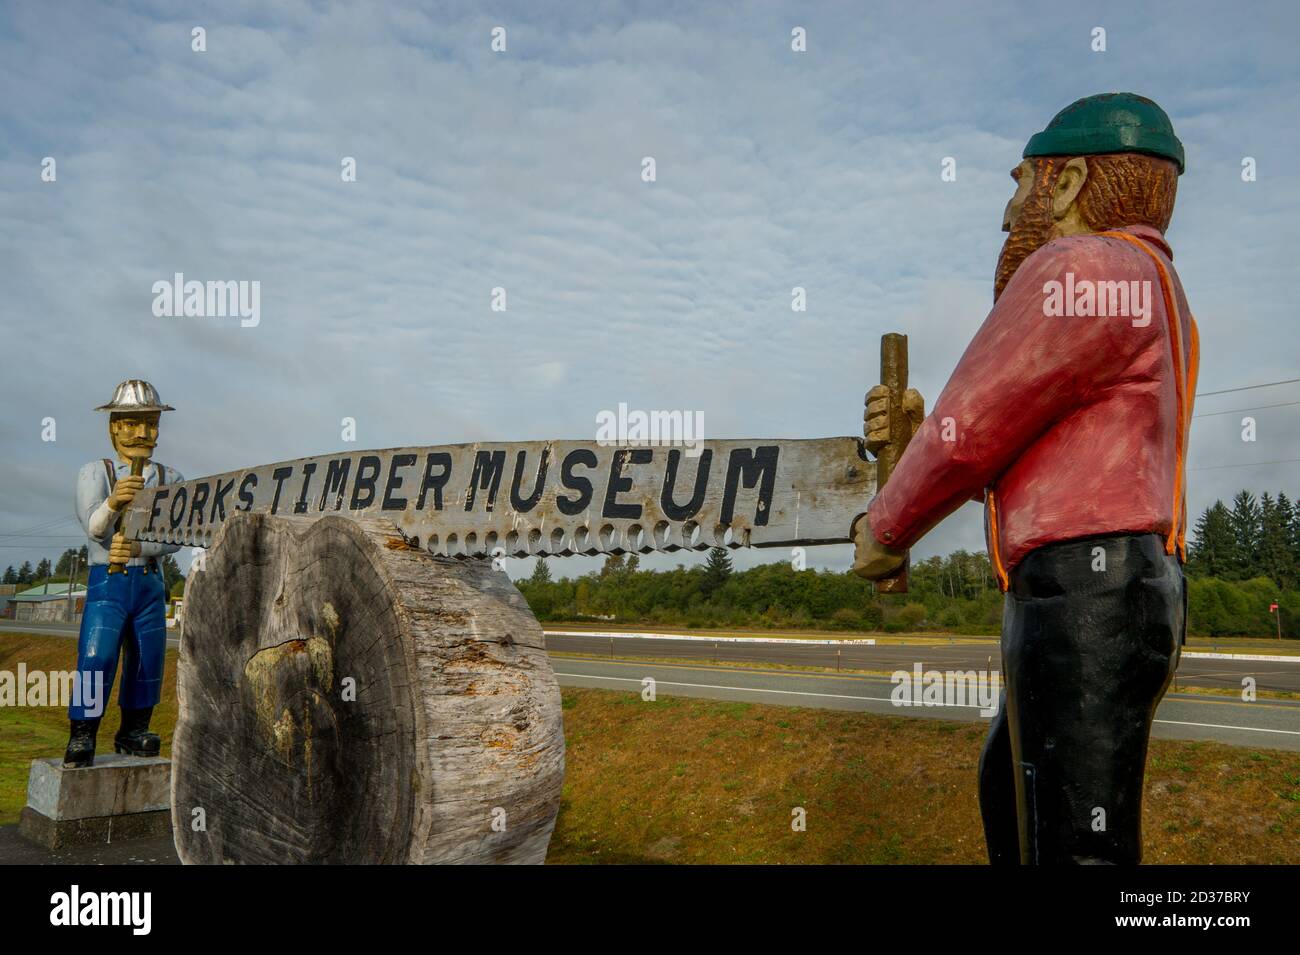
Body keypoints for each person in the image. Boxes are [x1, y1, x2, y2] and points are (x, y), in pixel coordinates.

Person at [853, 93, 1196, 864]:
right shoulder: (1151, 285)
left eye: (1019, 185)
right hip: (1131, 584)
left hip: (1084, 594)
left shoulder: (1080, 268)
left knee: (1077, 846)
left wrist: (882, 529)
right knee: (1010, 791)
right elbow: (1016, 434)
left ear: (1070, 180)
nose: (1007, 218)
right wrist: (917, 429)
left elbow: (970, 431)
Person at [65, 380, 184, 768]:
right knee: (97, 655)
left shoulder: (171, 479)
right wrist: (115, 500)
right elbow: (95, 528)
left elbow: (175, 538)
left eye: (149, 424)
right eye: (131, 423)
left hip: (150, 583)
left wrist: (138, 547)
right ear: (114, 426)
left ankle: (134, 728)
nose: (141, 433)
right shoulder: (94, 472)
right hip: (108, 582)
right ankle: (83, 730)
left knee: (148, 657)